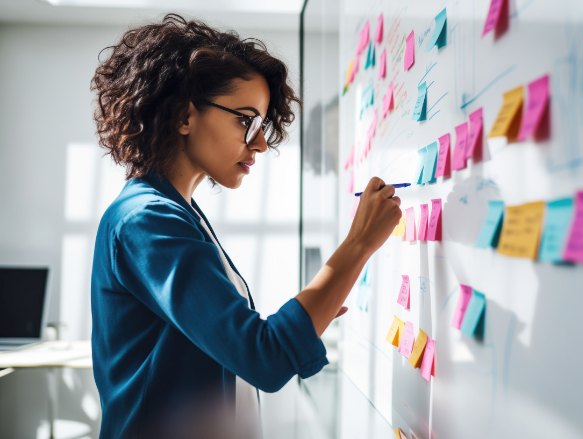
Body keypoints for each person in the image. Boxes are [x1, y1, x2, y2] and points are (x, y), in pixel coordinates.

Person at [89, 13, 401, 439]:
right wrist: (359, 243)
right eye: (246, 120)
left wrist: (311, 314)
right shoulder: (148, 220)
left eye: (262, 125)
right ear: (184, 115)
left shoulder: (177, 212)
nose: (259, 143)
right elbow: (264, 359)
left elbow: (240, 346)